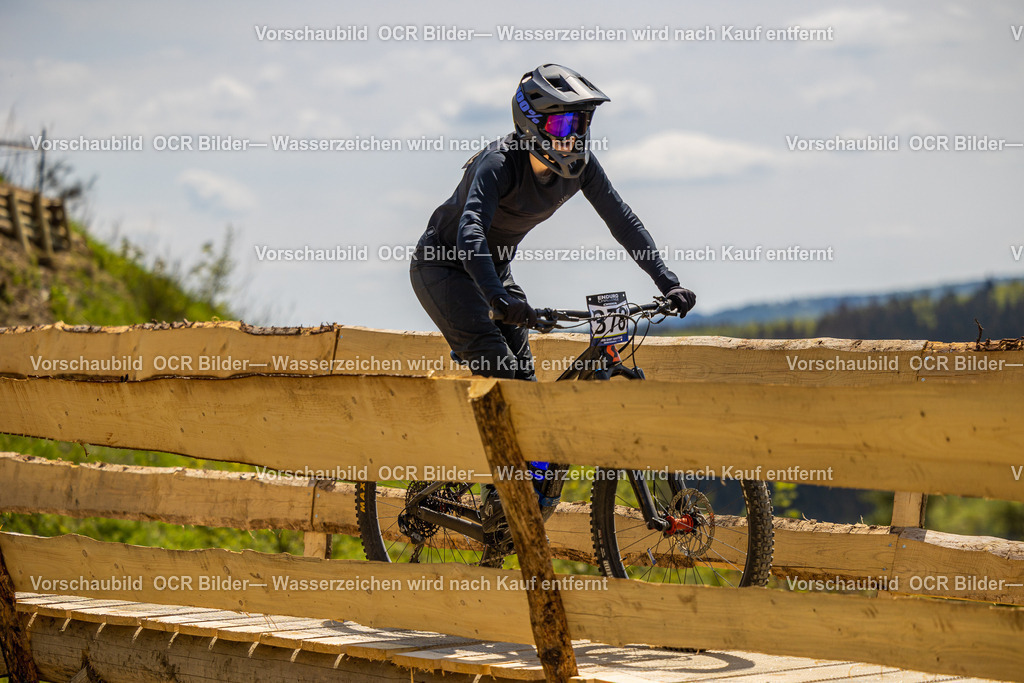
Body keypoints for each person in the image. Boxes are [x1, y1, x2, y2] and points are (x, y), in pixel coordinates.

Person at [409, 64, 696, 555]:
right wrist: (498, 299)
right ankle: (492, 491)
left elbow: (623, 220)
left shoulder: (582, 167)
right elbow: (470, 231)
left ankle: (504, 503)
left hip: (496, 274)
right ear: (531, 122)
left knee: (529, 392)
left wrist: (668, 282)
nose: (573, 134)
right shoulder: (498, 163)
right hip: (445, 270)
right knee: (504, 373)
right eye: (563, 122)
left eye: (581, 122)